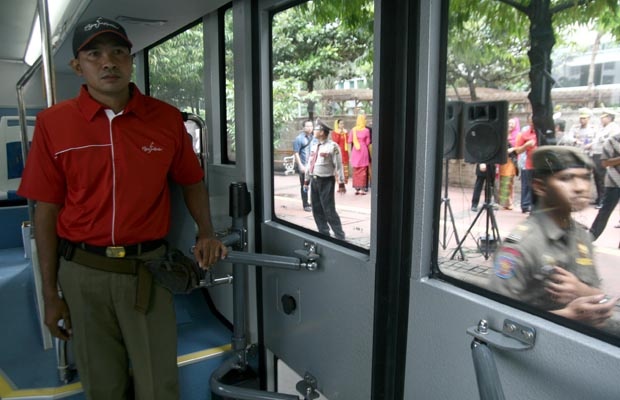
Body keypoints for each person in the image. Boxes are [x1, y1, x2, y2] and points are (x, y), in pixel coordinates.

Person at [16, 17, 227, 400]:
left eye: (117, 52)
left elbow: (191, 180)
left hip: (146, 270)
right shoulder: (53, 124)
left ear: (130, 61)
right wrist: (50, 292)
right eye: (94, 54)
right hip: (82, 272)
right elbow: (45, 211)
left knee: (158, 382)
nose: (107, 62)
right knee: (102, 384)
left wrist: (206, 231)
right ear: (78, 66)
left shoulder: (164, 118)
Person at [489, 146, 618, 327]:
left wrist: (581, 291)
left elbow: (596, 293)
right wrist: (568, 316)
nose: (580, 187)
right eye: (566, 178)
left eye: (585, 178)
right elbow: (496, 318)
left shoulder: (581, 235)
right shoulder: (521, 246)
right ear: (540, 187)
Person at [303, 123, 346, 239]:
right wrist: (306, 181)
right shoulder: (314, 146)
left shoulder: (333, 146)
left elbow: (339, 166)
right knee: (316, 209)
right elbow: (309, 164)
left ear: (322, 132)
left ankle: (339, 235)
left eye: (316, 129)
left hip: (326, 181)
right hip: (314, 181)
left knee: (329, 209)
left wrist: (341, 183)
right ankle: (323, 233)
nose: (313, 131)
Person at [589, 131, 620, 240]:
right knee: (605, 211)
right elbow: (605, 163)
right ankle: (591, 237)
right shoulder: (612, 140)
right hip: (615, 181)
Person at [587, 109, 620, 208]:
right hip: (596, 153)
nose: (602, 119)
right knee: (597, 177)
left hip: (605, 155)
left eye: (604, 117)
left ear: (609, 118)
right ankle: (599, 198)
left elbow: (610, 143)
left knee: (602, 178)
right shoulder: (601, 128)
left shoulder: (614, 128)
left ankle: (603, 200)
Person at [514, 114, 538, 213]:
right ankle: (525, 206)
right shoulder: (524, 134)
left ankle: (536, 207)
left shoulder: (543, 132)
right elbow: (517, 150)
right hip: (529, 164)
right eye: (531, 121)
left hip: (542, 164)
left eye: (534, 121)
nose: (533, 123)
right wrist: (526, 146)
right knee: (527, 186)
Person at [497, 117, 520, 210]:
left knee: (508, 181)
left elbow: (520, 148)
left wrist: (513, 149)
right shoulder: (503, 135)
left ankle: (508, 202)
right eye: (509, 123)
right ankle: (502, 202)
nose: (510, 125)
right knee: (502, 180)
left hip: (511, 161)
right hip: (502, 161)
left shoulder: (518, 135)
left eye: (512, 124)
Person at [293, 120, 314, 211]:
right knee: (304, 185)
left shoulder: (314, 138)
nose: (310, 128)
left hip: (313, 166)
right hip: (304, 166)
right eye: (307, 126)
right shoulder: (299, 139)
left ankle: (313, 203)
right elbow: (296, 153)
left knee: (314, 185)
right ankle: (305, 204)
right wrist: (300, 165)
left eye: (311, 126)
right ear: (303, 128)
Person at [348, 114, 372, 195]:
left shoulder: (353, 130)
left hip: (355, 150)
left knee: (356, 169)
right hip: (363, 149)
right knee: (363, 169)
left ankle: (356, 188)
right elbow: (368, 142)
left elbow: (350, 140)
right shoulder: (366, 130)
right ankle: (362, 188)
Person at [331, 119, 349, 184]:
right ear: (337, 124)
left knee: (345, 164)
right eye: (340, 124)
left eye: (343, 124)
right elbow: (335, 141)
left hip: (345, 151)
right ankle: (339, 180)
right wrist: (339, 133)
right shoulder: (334, 132)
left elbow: (347, 141)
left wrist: (345, 133)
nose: (342, 125)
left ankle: (345, 180)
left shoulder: (345, 132)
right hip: (338, 151)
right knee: (339, 164)